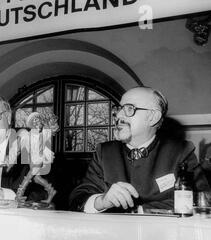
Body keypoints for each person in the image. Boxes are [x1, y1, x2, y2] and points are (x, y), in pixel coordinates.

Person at [69, 86, 210, 213]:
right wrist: (101, 201)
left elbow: (201, 200)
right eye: (118, 109)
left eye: (129, 109)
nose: (118, 116)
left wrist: (141, 210)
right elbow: (78, 198)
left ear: (152, 117)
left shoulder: (180, 152)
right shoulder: (105, 152)